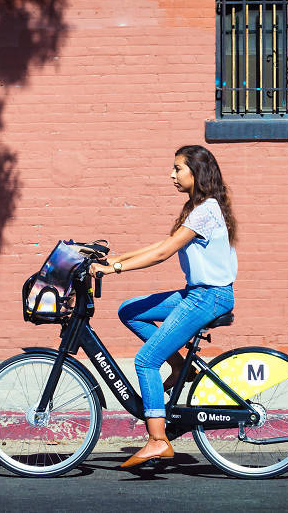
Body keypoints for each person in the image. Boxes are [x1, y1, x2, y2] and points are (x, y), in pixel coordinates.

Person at [90, 144, 238, 468]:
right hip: (196, 292)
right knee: (130, 310)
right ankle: (181, 365)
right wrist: (117, 259)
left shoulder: (206, 210)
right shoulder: (197, 207)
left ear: (195, 173)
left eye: (177, 169)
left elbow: (163, 254)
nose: (171, 174)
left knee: (145, 361)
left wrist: (113, 270)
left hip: (208, 297)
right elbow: (162, 244)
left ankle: (158, 440)